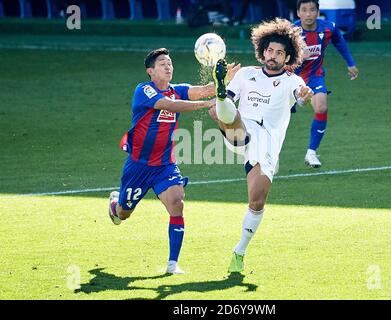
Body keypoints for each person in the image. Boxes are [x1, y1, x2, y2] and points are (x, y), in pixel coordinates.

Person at [108, 48, 238, 274]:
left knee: (177, 204)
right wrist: (205, 105)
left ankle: (172, 264)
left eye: (169, 63)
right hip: (138, 166)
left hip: (165, 165)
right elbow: (169, 105)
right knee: (123, 214)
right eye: (162, 64)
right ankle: (115, 205)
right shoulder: (144, 90)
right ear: (150, 71)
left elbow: (204, 90)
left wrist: (224, 79)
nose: (168, 67)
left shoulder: (177, 90)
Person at [209, 18, 313, 273]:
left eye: (279, 53)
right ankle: (220, 91)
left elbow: (301, 94)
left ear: (288, 57)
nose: (273, 56)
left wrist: (305, 96)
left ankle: (239, 252)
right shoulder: (246, 75)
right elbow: (223, 108)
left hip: (267, 141)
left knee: (257, 200)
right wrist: (220, 104)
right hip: (241, 128)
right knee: (224, 109)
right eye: (270, 51)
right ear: (262, 51)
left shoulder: (291, 80)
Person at [292, 0, 359, 168]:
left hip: (315, 76)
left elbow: (339, 41)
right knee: (278, 117)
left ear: (318, 12)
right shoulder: (290, 32)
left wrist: (350, 63)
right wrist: (297, 53)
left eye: (312, 10)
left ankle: (311, 152)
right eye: (304, 10)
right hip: (290, 78)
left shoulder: (328, 27)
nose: (308, 14)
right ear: (298, 13)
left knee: (321, 107)